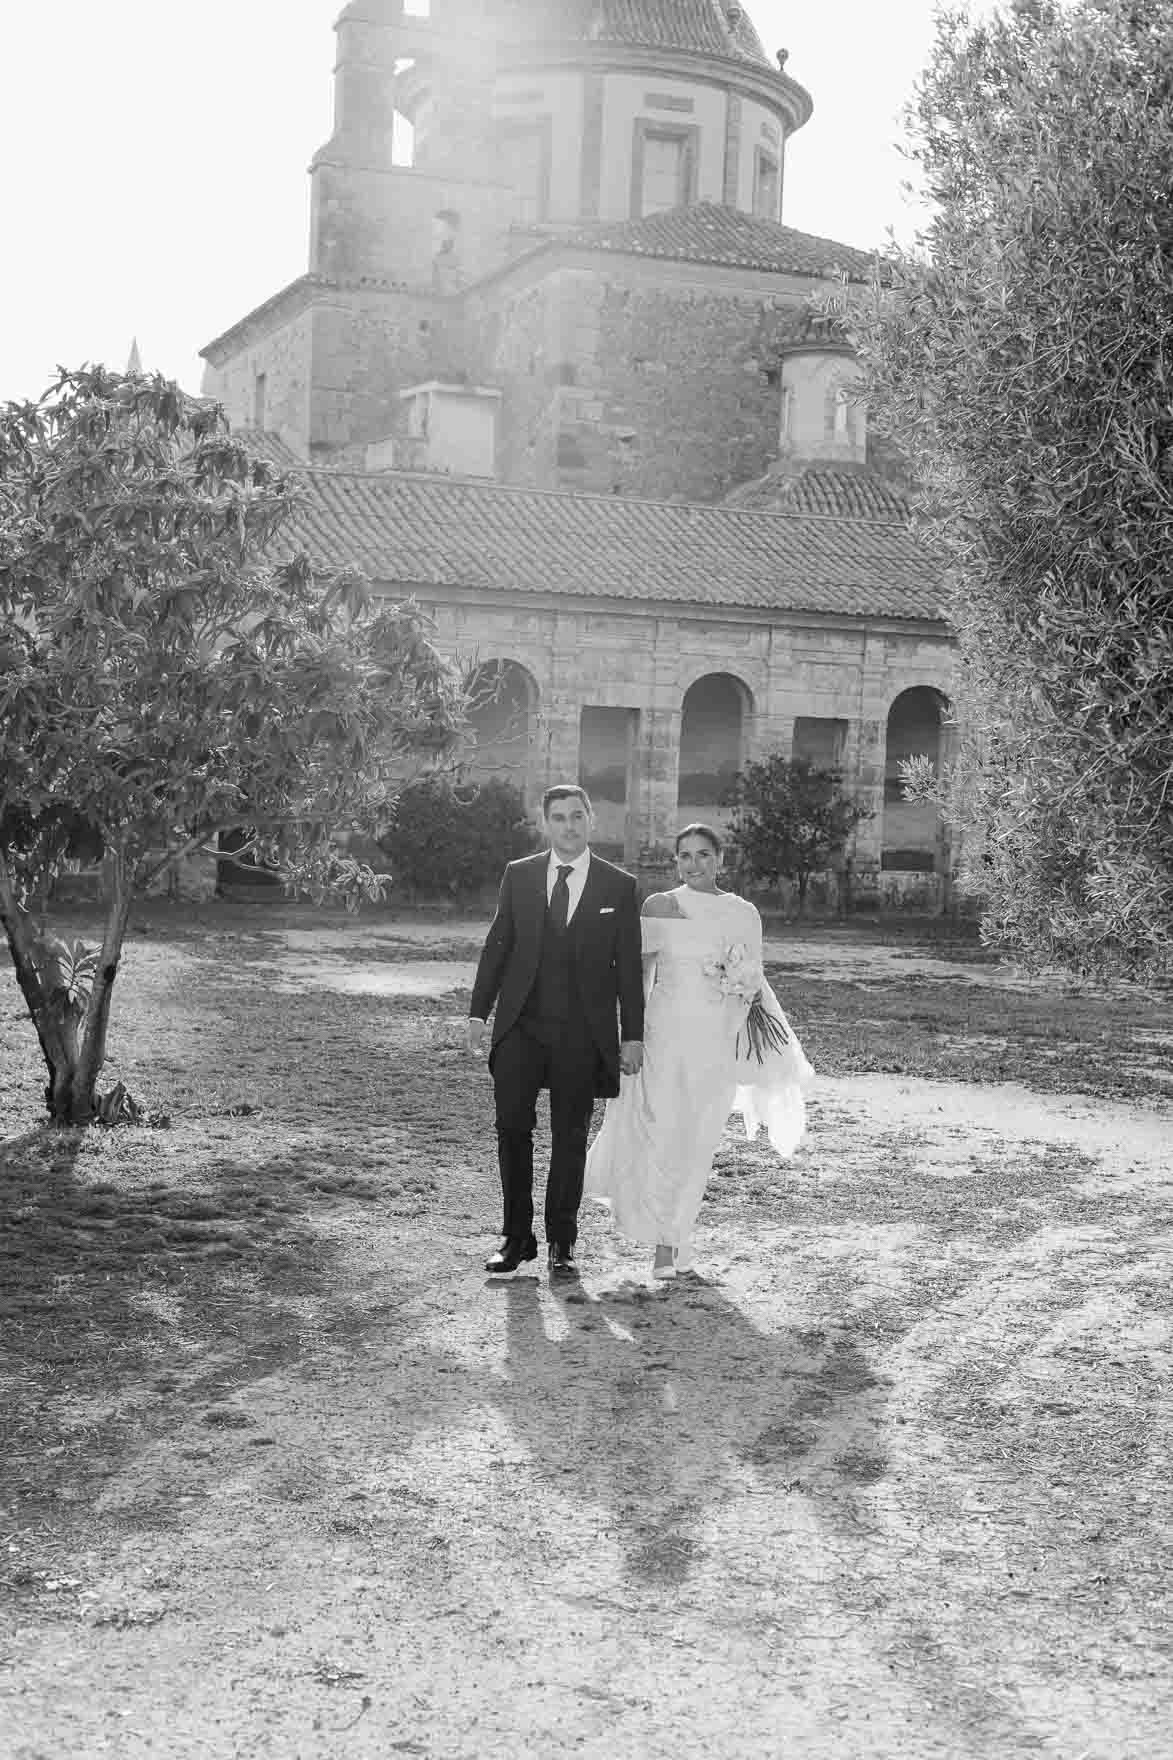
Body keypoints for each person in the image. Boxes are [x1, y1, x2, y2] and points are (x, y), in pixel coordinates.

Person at [584, 822, 813, 1280]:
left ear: (721, 859)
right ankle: (661, 1242)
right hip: (662, 1037)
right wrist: (628, 1035)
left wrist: (739, 996)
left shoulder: (743, 913)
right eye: (684, 855)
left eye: (704, 854)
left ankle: (675, 1239)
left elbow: (752, 980)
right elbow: (636, 977)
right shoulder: (658, 906)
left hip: (715, 1042)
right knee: (660, 1133)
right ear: (675, 861)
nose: (694, 864)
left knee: (697, 1141)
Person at [468, 784, 645, 1277]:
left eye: (576, 817)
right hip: (521, 1025)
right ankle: (516, 1237)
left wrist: (633, 1034)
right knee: (512, 1131)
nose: (569, 826)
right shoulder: (519, 876)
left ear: (592, 820)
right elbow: (497, 947)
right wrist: (478, 1014)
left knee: (569, 1138)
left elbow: (628, 968)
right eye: (559, 818)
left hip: (582, 1033)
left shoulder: (618, 885)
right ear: (546, 824)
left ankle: (562, 1243)